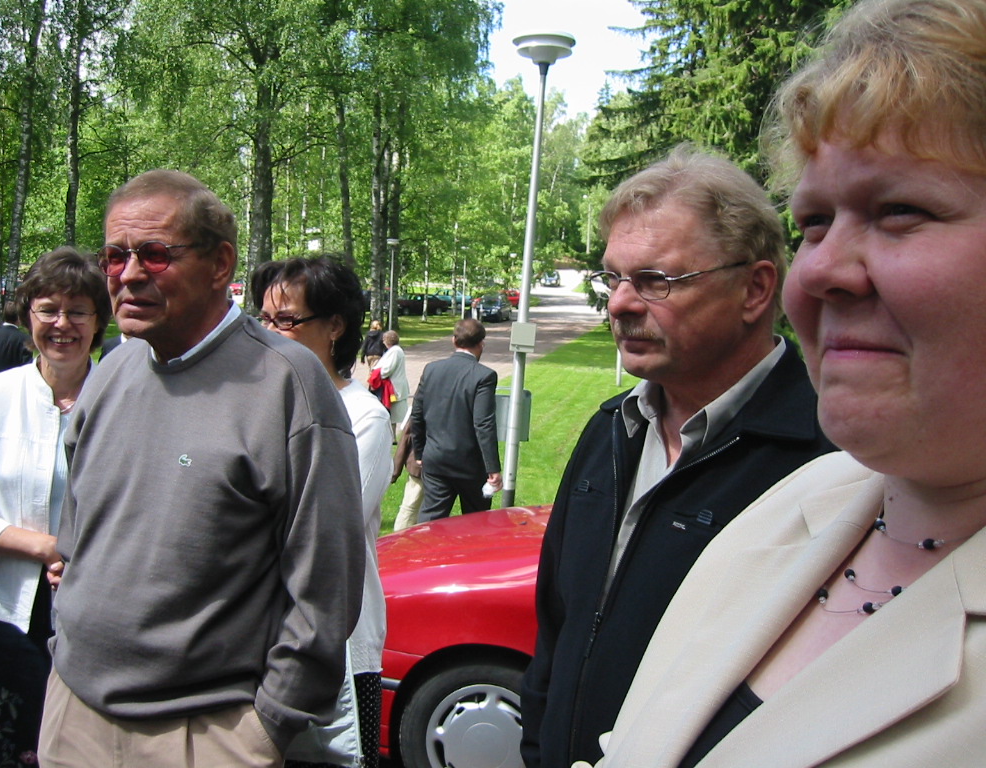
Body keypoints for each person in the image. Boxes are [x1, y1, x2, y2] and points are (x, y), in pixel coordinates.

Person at [576, 1, 986, 766]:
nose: (822, 267)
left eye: (901, 211)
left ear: (755, 288)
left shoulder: (793, 461)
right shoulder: (792, 510)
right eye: (816, 222)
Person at [520, 145, 837, 768]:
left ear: (755, 288)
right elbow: (557, 629)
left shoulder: (828, 461)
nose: (619, 303)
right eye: (613, 278)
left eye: (656, 281)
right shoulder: (609, 431)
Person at [38, 170, 365, 768]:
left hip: (205, 732)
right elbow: (78, 534)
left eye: (154, 254)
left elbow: (325, 590)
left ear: (220, 265)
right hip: (74, 716)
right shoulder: (110, 373)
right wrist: (67, 647)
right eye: (115, 256)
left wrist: (267, 728)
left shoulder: (288, 385)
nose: (128, 274)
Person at [0, 247, 110, 766]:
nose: (62, 324)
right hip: (10, 615)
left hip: (101, 613)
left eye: (78, 311)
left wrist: (86, 560)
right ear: (28, 316)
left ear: (99, 321)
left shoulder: (124, 400)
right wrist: (51, 548)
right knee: (7, 750)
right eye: (48, 309)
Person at [253, 255, 392, 768]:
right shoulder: (257, 406)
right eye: (263, 319)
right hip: (259, 639)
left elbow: (320, 533)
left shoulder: (363, 418)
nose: (270, 333)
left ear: (335, 326)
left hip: (337, 645)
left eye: (286, 320)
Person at [410, 318, 502, 521]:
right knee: (475, 522)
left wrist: (420, 452)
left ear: (454, 340)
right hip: (470, 464)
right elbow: (483, 424)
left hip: (435, 458)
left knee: (430, 520)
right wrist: (493, 468)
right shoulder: (484, 376)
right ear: (481, 344)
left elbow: (417, 414)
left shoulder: (431, 369)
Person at [391, 409, 425, 531]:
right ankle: (399, 538)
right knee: (410, 507)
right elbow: (407, 434)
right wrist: (395, 470)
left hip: (440, 465)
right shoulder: (424, 401)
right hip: (420, 465)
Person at [372, 329, 408, 432]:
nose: (383, 342)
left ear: (387, 340)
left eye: (384, 340)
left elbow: (387, 369)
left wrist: (378, 372)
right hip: (394, 386)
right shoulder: (395, 350)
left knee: (393, 416)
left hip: (394, 388)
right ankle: (392, 436)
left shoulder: (395, 351)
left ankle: (392, 436)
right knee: (391, 416)